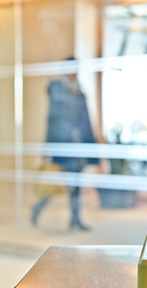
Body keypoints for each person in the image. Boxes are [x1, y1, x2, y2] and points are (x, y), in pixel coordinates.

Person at [32, 58, 99, 230]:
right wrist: (49, 148)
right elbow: (53, 120)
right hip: (63, 146)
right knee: (56, 183)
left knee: (75, 185)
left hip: (78, 147)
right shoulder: (58, 88)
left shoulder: (78, 90)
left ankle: (75, 219)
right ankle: (37, 207)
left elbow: (85, 120)